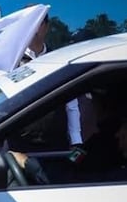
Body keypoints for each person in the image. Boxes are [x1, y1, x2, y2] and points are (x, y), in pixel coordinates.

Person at [9, 16, 83, 152]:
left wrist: (76, 140)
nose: (33, 27)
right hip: (21, 149)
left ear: (46, 27)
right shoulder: (10, 62)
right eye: (29, 22)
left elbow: (71, 102)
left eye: (38, 22)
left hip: (56, 147)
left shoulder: (59, 59)